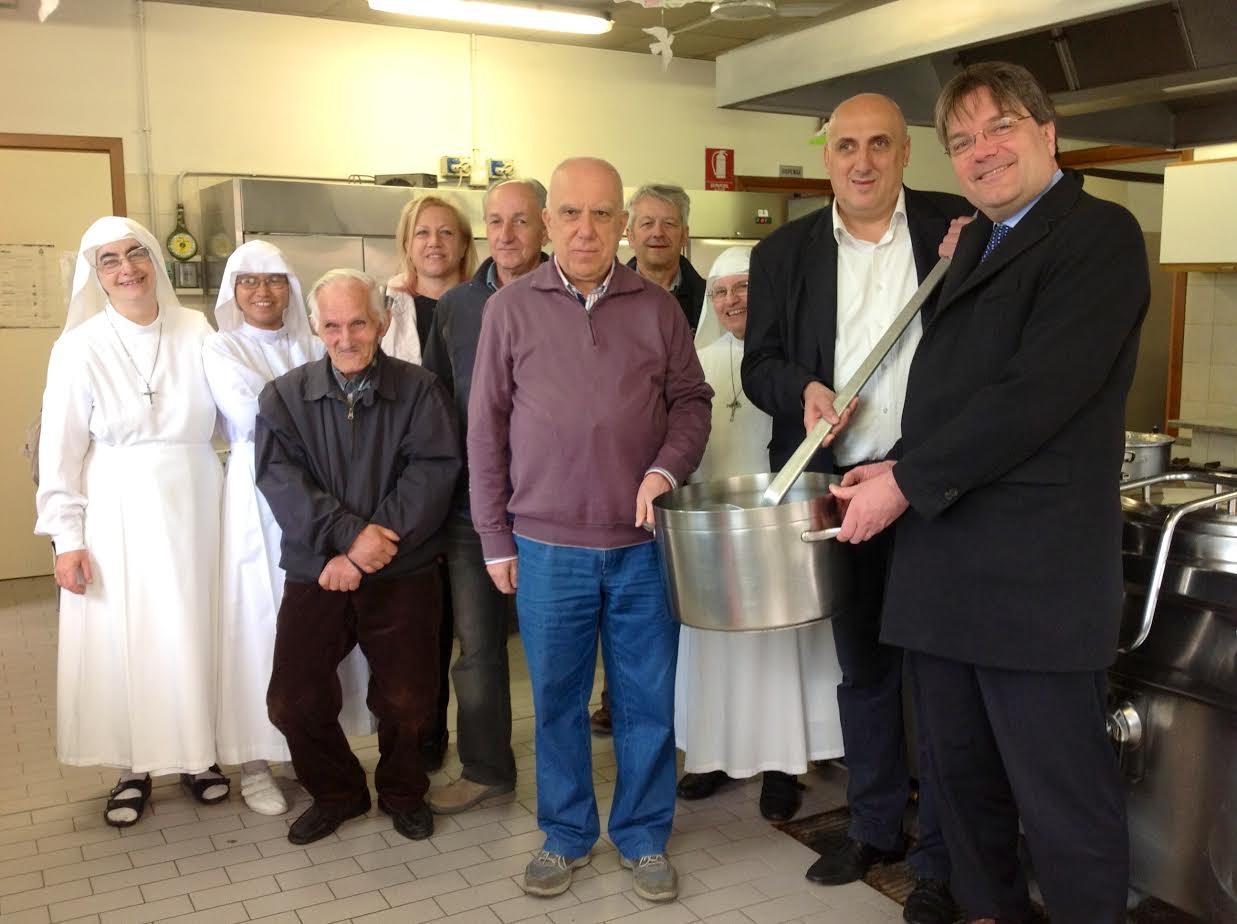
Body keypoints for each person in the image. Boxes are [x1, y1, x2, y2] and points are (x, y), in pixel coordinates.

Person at [832, 62, 1149, 924]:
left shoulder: (1098, 236)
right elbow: (954, 397)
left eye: (998, 127)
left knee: (1064, 809)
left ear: (1047, 134)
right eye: (961, 139)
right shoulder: (976, 241)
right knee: (961, 796)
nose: (979, 150)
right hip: (945, 582)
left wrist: (906, 481)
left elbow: (1032, 395)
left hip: (1033, 592)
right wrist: (891, 459)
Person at [742, 93, 971, 924]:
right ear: (826, 155)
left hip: (936, 489)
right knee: (864, 672)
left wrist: (980, 248)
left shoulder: (961, 227)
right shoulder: (784, 251)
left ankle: (944, 859)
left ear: (906, 152)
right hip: (840, 491)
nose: (862, 161)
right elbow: (757, 363)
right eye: (846, 146)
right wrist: (799, 389)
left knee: (941, 683)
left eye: (879, 144)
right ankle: (875, 827)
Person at [468, 157, 712, 902]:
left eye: (602, 215)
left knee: (645, 701)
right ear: (547, 224)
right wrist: (493, 536)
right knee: (557, 701)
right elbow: (485, 428)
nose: (585, 230)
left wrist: (663, 471)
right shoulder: (509, 309)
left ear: (623, 225)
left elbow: (691, 403)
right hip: (545, 550)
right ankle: (566, 835)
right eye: (570, 214)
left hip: (640, 549)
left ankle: (641, 838)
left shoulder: (657, 308)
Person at [255, 269, 460, 845]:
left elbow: (434, 472)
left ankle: (402, 792)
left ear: (383, 322)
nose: (346, 338)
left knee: (409, 699)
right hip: (317, 566)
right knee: (291, 700)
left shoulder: (421, 391)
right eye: (333, 325)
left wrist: (373, 544)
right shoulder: (284, 397)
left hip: (404, 567)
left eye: (359, 323)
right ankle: (339, 792)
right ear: (317, 327)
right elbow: (279, 479)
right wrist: (347, 540)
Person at [35, 216, 229, 827]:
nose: (127, 270)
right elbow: (59, 451)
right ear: (95, 275)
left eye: (136, 254)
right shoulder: (79, 346)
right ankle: (132, 766)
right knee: (129, 636)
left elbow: (235, 418)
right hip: (118, 505)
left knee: (195, 627)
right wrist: (67, 539)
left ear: (155, 261)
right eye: (110, 261)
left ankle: (200, 755)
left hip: (198, 496)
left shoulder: (198, 328)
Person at [673, 246, 845, 822]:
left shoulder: (791, 365)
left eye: (743, 288)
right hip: (712, 534)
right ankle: (714, 756)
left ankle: (780, 766)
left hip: (775, 531)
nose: (730, 301)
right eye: (720, 292)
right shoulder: (694, 361)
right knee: (717, 651)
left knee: (777, 654)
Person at [203, 241, 373, 816]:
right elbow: (252, 414)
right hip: (256, 501)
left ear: (291, 289)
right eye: (248, 281)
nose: (262, 292)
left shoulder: (310, 341)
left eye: (274, 280)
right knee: (258, 621)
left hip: (323, 493)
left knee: (317, 627)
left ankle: (315, 754)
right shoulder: (221, 345)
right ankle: (255, 761)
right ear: (232, 290)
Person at [421, 178, 549, 815]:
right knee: (476, 649)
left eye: (520, 221)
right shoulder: (457, 307)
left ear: (544, 227)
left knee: (563, 647)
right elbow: (438, 406)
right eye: (495, 222)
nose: (506, 235)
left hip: (555, 505)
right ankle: (486, 768)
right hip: (478, 507)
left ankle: (565, 771)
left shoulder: (568, 295)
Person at [592, 182, 707, 736]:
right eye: (647, 223)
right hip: (622, 478)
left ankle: (684, 714)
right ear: (628, 231)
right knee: (627, 601)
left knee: (680, 602)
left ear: (685, 234)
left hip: (690, 469)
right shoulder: (603, 297)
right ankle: (620, 701)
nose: (657, 233)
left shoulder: (714, 296)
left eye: (669, 224)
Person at [383, 194, 479, 362]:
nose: (434, 241)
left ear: (464, 245)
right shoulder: (384, 308)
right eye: (422, 233)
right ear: (407, 246)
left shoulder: (488, 304)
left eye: (446, 232)